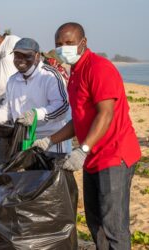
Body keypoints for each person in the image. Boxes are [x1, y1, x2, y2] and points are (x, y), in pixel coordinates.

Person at [33, 22, 141, 249]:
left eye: (69, 43)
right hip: (93, 156)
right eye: (59, 44)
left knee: (114, 226)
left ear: (83, 43)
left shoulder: (98, 68)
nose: (64, 48)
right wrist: (50, 140)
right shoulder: (75, 73)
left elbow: (106, 113)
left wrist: (82, 150)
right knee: (95, 221)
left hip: (114, 155)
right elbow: (79, 120)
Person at [0, 38, 71, 153]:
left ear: (37, 56)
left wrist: (36, 114)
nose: (21, 60)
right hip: (24, 142)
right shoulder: (13, 80)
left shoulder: (50, 76)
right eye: (17, 55)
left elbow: (62, 107)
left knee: (49, 171)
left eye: (27, 56)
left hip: (50, 143)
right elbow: (6, 112)